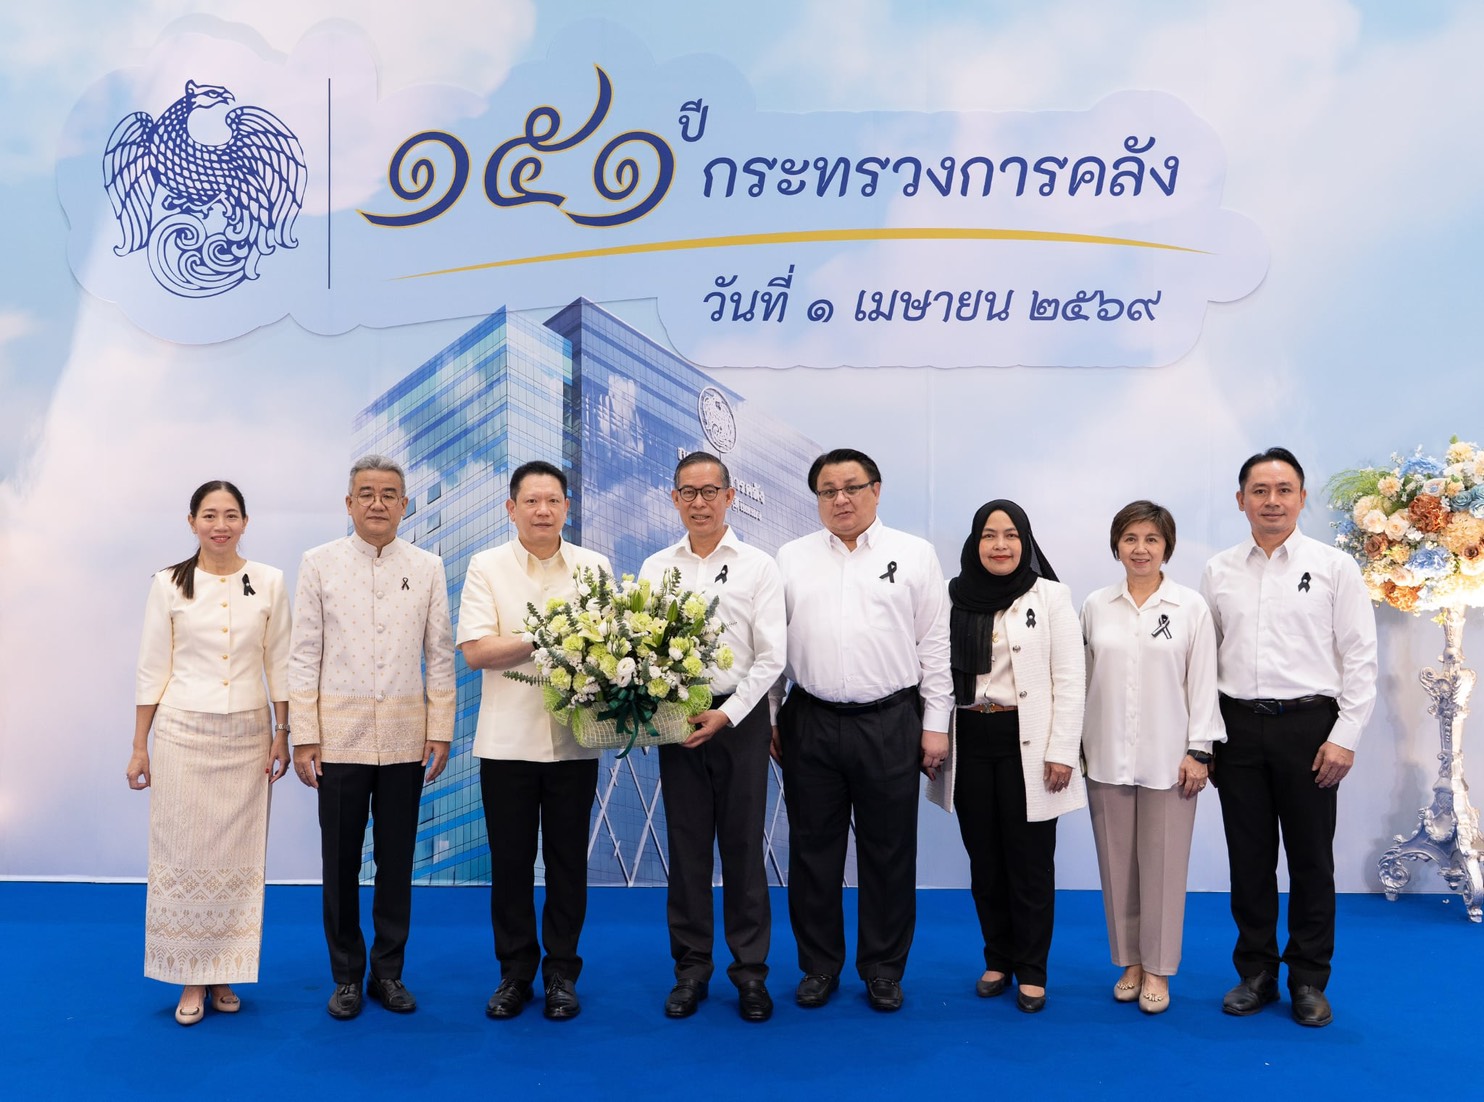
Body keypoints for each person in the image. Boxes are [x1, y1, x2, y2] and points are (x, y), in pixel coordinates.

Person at [1200, 447, 1377, 1028]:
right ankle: (1255, 972)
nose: (1271, 501)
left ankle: (1307, 978)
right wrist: (1206, 738)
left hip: (1310, 728)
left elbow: (1360, 657)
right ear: (1240, 500)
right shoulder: (1219, 570)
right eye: (1259, 491)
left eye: (1283, 490)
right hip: (1237, 729)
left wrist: (1345, 736)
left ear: (1302, 497)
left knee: (1310, 860)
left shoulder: (1334, 567)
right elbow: (1205, 662)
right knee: (1248, 859)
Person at [772, 448, 951, 1013]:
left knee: (889, 851)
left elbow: (935, 644)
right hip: (810, 719)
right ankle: (818, 965)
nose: (840, 499)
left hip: (891, 721)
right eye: (828, 490)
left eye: (852, 487)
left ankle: (883, 968)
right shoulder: (791, 557)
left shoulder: (914, 554)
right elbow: (770, 646)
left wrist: (936, 725)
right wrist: (773, 717)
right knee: (812, 851)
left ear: (876, 489)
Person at [289, 455, 455, 1020]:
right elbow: (303, 654)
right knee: (339, 862)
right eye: (366, 493)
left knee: (396, 860)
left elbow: (440, 655)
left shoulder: (427, 567)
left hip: (407, 739)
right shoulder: (319, 564)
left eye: (388, 494)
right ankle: (345, 976)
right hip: (338, 739)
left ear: (404, 505)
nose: (377, 503)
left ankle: (388, 972)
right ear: (349, 503)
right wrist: (305, 736)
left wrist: (440, 730)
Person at [129, 480, 291, 1026]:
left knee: (238, 860)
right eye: (209, 515)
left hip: (248, 735)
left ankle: (223, 970)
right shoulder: (168, 583)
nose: (220, 525)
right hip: (183, 733)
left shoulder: (269, 581)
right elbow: (152, 667)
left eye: (230, 515)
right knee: (183, 855)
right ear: (192, 521)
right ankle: (190, 976)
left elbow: (279, 662)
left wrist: (284, 731)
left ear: (245, 521)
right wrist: (139, 746)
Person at [457, 461, 612, 1022]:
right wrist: (553, 634)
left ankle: (562, 974)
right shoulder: (486, 566)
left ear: (567, 507)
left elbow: (609, 648)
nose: (542, 511)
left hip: (575, 742)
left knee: (569, 865)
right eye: (531, 501)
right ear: (511, 508)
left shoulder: (596, 567)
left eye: (552, 501)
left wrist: (525, 640)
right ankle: (515, 974)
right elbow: (477, 651)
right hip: (507, 744)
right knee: (511, 865)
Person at [640, 452, 786, 1023]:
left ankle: (750, 973)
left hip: (739, 720)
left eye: (709, 492)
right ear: (674, 499)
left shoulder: (759, 566)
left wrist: (731, 715)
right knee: (687, 849)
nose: (698, 503)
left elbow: (772, 657)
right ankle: (691, 971)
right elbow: (642, 648)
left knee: (744, 848)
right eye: (688, 492)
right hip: (678, 719)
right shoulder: (655, 567)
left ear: (729, 497)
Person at [928, 499, 1084, 1013]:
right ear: (975, 542)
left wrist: (1062, 750)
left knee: (1031, 861)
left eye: (1011, 535)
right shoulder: (949, 596)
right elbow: (933, 670)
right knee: (985, 859)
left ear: (1026, 542)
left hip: (1030, 742)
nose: (1000, 545)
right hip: (969, 737)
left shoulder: (1052, 596)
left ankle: (1033, 969)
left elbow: (1070, 680)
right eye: (990, 535)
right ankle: (997, 958)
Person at [1080, 500, 1225, 1014]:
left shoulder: (1190, 607)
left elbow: (1203, 682)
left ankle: (1159, 968)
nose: (1140, 549)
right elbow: (1083, 679)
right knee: (1116, 866)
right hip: (1105, 754)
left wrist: (1199, 751)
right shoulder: (1096, 605)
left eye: (1151, 539)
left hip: (1172, 760)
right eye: (1130, 539)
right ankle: (1130, 962)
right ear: (1116, 545)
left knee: (1163, 868)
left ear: (1167, 547)